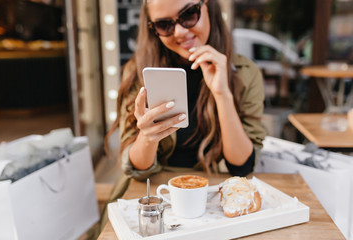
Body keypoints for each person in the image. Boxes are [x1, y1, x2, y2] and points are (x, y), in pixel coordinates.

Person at [105, 0, 266, 181]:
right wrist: (148, 137)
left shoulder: (245, 73)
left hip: (206, 191)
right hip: (153, 193)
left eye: (189, 14)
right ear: (153, 28)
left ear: (209, 7)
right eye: (164, 24)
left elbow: (241, 165)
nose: (179, 32)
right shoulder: (137, 72)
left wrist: (222, 95)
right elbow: (137, 170)